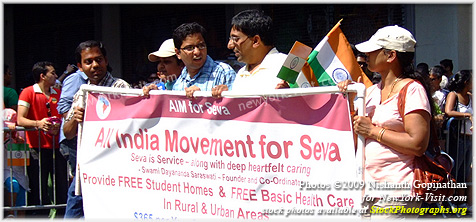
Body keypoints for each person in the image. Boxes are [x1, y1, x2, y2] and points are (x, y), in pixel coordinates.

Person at [338, 25, 433, 218]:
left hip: (397, 189)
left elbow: (418, 144)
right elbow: (355, 141)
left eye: (373, 50)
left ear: (391, 56)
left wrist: (373, 131)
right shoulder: (370, 92)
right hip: (366, 188)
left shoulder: (413, 90)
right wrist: (348, 103)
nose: (367, 55)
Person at [62, 40, 130, 218]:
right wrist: (76, 119)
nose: (94, 65)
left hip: (114, 170)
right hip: (85, 172)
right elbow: (68, 132)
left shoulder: (121, 88)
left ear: (106, 61)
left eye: (98, 60)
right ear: (80, 66)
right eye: (88, 61)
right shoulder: (82, 93)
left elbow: (132, 124)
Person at [16, 61, 68, 217]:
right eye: (52, 73)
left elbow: (64, 116)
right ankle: (38, 216)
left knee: (61, 186)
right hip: (36, 147)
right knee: (39, 186)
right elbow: (20, 120)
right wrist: (39, 123)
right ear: (42, 76)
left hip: (58, 147)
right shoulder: (27, 92)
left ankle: (61, 216)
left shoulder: (58, 94)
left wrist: (58, 126)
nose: (56, 76)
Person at [212, 9, 287, 97]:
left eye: (236, 39)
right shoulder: (241, 73)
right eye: (230, 39)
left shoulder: (287, 66)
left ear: (255, 41)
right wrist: (226, 95)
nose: (230, 45)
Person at [444, 70, 472, 210]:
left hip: (469, 138)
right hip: (456, 138)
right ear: (466, 82)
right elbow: (448, 111)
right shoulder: (453, 94)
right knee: (453, 170)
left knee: (465, 171)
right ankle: (449, 200)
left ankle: (461, 201)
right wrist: (466, 115)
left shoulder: (471, 96)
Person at [57, 65, 88, 184]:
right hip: (73, 139)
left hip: (86, 139)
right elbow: (63, 106)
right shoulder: (75, 78)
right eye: (89, 61)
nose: (95, 65)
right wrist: (74, 123)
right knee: (78, 181)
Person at [3, 108, 28, 218]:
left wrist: (20, 141)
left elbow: (26, 151)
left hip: (19, 168)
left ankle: (21, 217)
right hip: (4, 168)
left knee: (22, 193)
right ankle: (10, 214)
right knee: (13, 185)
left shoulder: (21, 131)